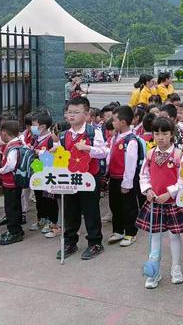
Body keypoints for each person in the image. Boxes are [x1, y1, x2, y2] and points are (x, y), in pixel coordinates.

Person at [137, 117, 183, 289]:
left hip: (172, 202)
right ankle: (154, 271)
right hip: (155, 202)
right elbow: (143, 175)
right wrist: (148, 190)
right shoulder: (150, 153)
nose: (160, 137)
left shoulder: (179, 155)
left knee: (174, 236)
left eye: (164, 133)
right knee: (155, 236)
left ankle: (175, 267)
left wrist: (170, 193)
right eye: (157, 133)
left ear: (171, 134)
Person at [53, 97, 108, 260]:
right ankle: (70, 242)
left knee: (91, 210)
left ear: (86, 114)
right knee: (70, 211)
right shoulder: (64, 135)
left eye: (76, 112)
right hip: (70, 179)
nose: (72, 116)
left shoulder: (92, 131)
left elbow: (104, 151)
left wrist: (88, 148)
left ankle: (95, 243)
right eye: (69, 112)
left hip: (89, 178)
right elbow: (61, 154)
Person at [106, 106, 139, 248]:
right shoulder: (115, 137)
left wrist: (127, 183)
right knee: (115, 205)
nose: (112, 123)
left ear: (123, 122)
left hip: (125, 180)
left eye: (114, 120)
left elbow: (130, 164)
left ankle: (130, 232)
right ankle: (118, 230)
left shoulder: (131, 141)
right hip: (113, 177)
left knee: (128, 207)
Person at [29, 113, 59, 238]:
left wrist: (39, 152)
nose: (32, 127)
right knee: (39, 197)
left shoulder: (51, 139)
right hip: (37, 171)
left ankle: (52, 221)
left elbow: (53, 158)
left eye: (34, 125)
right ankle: (41, 218)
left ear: (42, 126)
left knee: (49, 198)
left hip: (48, 174)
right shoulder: (35, 138)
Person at [0, 121, 24, 245]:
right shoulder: (17, 143)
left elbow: (11, 165)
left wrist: (0, 170)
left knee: (11, 208)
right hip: (13, 182)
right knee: (14, 206)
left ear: (4, 133)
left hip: (11, 182)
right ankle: (16, 230)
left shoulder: (13, 147)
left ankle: (14, 232)